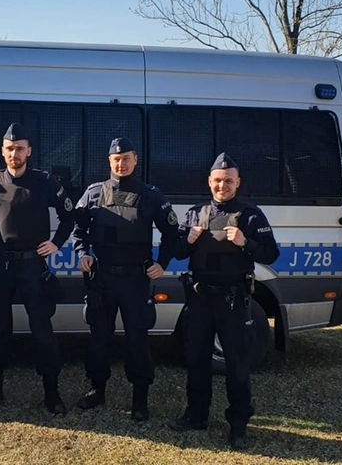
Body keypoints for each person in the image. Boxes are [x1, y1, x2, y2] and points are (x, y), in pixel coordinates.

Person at [169, 152, 279, 450]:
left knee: (237, 365)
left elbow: (271, 254)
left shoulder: (252, 215)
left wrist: (246, 242)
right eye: (217, 180)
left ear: (238, 182)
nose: (222, 185)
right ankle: (196, 415)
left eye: (228, 181)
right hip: (199, 298)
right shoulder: (194, 213)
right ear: (209, 181)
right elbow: (177, 252)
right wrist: (187, 240)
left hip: (233, 299)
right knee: (196, 360)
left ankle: (239, 426)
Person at [71, 137, 179, 421]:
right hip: (102, 278)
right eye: (116, 159)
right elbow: (78, 231)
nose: (121, 163)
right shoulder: (94, 193)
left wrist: (162, 263)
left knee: (137, 340)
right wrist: (82, 253)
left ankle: (140, 400)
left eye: (126, 158)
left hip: (135, 281)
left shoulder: (151, 195)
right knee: (99, 338)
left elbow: (171, 234)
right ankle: (97, 389)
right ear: (109, 162)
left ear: (135, 160)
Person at [0, 122, 75, 414]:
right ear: (2, 152)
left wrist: (56, 243)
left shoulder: (45, 181)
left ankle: (51, 392)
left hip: (33, 265)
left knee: (41, 329)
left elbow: (69, 216)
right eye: (9, 149)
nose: (14, 153)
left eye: (19, 148)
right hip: (1, 264)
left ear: (29, 151)